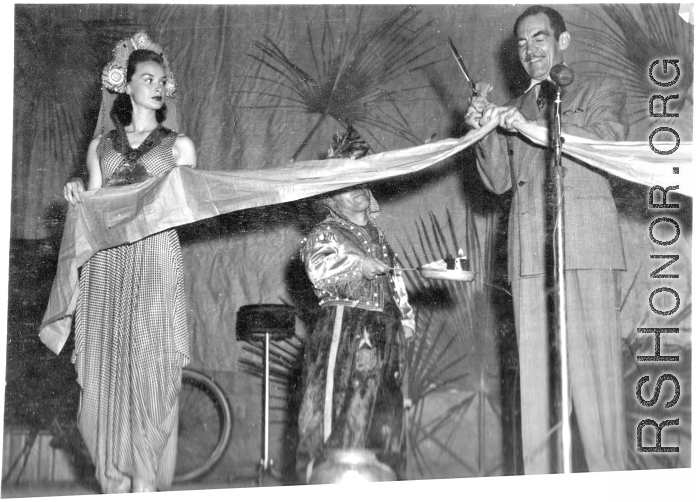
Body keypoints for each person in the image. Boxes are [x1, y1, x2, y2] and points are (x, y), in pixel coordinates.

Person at [465, 6, 628, 474]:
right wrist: (484, 130)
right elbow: (497, 182)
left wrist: (528, 127)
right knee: (535, 391)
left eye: (539, 38)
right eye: (521, 44)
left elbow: (608, 141)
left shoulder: (600, 90)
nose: (530, 50)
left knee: (598, 387)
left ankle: (610, 482)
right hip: (530, 257)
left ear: (563, 41)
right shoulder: (513, 110)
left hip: (586, 250)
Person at [62, 35, 196, 493]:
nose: (157, 87)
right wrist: (79, 190)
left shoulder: (180, 148)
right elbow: (95, 204)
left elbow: (192, 204)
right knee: (107, 369)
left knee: (152, 368)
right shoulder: (101, 147)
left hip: (157, 259)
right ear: (126, 86)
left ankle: (145, 482)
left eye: (162, 80)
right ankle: (115, 482)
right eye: (147, 79)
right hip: (108, 266)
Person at [296, 127, 415, 482]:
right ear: (330, 199)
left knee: (385, 416)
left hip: (384, 334)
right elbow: (316, 267)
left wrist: (406, 319)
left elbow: (395, 282)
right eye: (348, 184)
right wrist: (358, 265)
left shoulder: (378, 237)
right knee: (336, 412)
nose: (360, 189)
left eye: (362, 181)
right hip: (344, 331)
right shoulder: (325, 233)